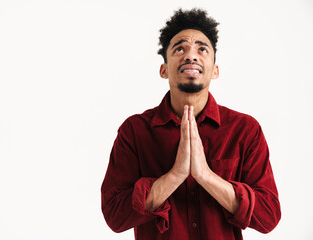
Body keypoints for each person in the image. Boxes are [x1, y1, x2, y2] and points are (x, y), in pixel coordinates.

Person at [101, 8, 281, 240]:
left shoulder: (245, 130)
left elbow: (268, 217)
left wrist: (206, 176)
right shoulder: (134, 131)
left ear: (215, 70)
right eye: (179, 48)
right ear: (163, 70)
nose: (191, 56)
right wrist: (174, 176)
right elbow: (114, 216)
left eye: (202, 49)